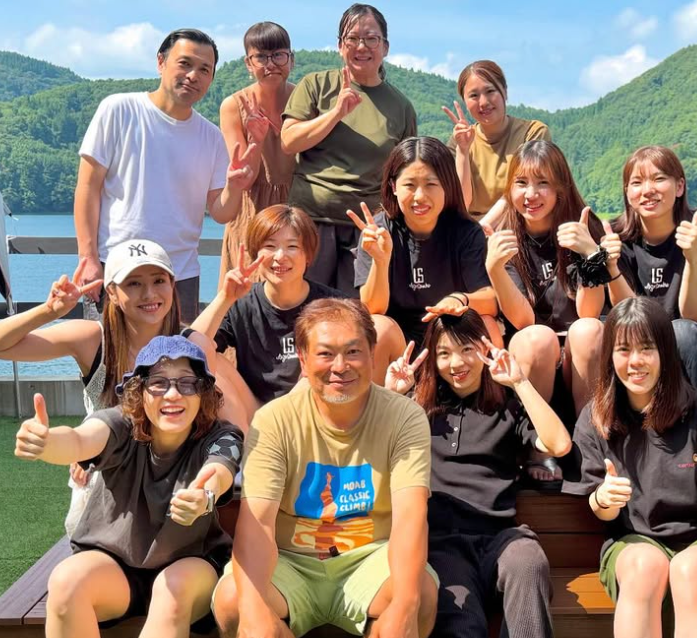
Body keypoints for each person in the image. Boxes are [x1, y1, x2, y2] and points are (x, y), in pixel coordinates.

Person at [212, 298, 438, 638]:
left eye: (353, 352)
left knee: (418, 595)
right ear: (302, 360)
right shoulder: (274, 420)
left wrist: (406, 606)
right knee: (234, 602)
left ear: (372, 352)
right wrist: (254, 611)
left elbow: (410, 516)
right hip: (290, 561)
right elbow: (257, 522)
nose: (340, 366)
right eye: (325, 354)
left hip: (370, 557)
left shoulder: (404, 417)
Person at [14, 335, 243, 637]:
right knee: (66, 582)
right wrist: (47, 442)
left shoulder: (221, 435)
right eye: (159, 383)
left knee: (171, 592)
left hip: (191, 564)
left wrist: (204, 496)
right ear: (139, 391)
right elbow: (81, 440)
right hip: (115, 566)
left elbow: (220, 470)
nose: (173, 394)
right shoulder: (120, 426)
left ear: (203, 393)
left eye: (187, 383)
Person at [563, 297, 697, 638]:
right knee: (644, 566)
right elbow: (598, 508)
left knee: (688, 570)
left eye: (646, 348)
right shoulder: (596, 417)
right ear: (609, 356)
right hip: (633, 541)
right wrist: (604, 498)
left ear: (665, 352)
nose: (635, 361)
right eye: (623, 350)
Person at [384, 310, 571, 638]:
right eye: (444, 353)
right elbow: (374, 455)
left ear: (483, 351)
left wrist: (519, 383)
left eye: (466, 349)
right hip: (443, 543)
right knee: (459, 622)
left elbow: (559, 444)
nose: (456, 363)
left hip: (499, 537)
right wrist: (392, 397)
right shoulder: (416, 411)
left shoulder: (506, 407)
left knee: (529, 562)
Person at [74, 28, 256, 322]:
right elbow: (87, 187)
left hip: (179, 273)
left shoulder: (211, 137)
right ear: (161, 62)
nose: (194, 75)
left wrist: (235, 186)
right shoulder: (119, 109)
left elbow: (222, 213)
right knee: (106, 361)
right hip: (117, 267)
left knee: (174, 365)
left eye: (204, 70)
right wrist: (88, 258)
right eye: (185, 63)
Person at [0, 239, 181, 533]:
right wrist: (48, 311)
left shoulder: (187, 344)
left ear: (172, 284)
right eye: (133, 283)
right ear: (112, 291)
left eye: (159, 280)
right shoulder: (94, 339)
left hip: (167, 479)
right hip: (102, 480)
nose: (149, 294)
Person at [281, 4, 417, 293]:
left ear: (386, 47)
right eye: (352, 38)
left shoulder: (401, 107)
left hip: (367, 227)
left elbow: (407, 173)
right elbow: (289, 140)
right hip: (311, 219)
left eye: (371, 38)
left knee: (356, 311)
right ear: (340, 46)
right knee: (303, 307)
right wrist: (335, 113)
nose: (361, 46)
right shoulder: (316, 85)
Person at [192, 204, 347, 417]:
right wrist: (225, 298)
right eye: (270, 246)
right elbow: (189, 348)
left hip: (312, 408)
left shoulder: (331, 305)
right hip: (255, 409)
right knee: (209, 356)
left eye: (292, 246)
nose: (280, 256)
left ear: (308, 255)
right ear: (256, 253)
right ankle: (244, 443)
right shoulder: (242, 302)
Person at [487, 139, 606, 416]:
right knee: (537, 337)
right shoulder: (504, 237)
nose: (531, 194)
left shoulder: (583, 228)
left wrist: (590, 255)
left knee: (588, 330)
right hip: (531, 354)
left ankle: (591, 440)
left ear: (560, 188)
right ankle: (535, 443)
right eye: (521, 183)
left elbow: (589, 312)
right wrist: (495, 269)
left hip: (581, 352)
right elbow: (523, 321)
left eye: (542, 183)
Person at [353, 136, 498, 354]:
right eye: (409, 185)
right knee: (377, 327)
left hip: (451, 332)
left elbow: (490, 301)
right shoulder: (378, 232)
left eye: (431, 184)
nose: (420, 197)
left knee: (488, 324)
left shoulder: (465, 231)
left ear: (447, 186)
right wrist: (380, 262)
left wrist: (459, 299)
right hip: (399, 338)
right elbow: (373, 309)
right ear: (393, 186)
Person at [602, 145, 697, 392]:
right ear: (627, 192)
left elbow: (693, 315)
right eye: (636, 182)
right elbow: (628, 314)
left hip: (695, 345)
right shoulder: (616, 238)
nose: (648, 190)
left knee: (682, 332)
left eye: (659, 179)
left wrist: (693, 256)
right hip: (638, 340)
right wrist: (611, 267)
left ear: (679, 186)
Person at [219, 21, 297, 284]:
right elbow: (245, 177)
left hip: (295, 211)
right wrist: (256, 139)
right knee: (246, 297)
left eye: (278, 55)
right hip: (253, 214)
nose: (271, 64)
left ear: (291, 59)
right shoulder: (233, 105)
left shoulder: (304, 100)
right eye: (261, 57)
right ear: (248, 63)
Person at [443, 60, 551, 230]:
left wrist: (483, 228)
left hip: (518, 228)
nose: (483, 102)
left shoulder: (533, 133)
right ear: (465, 101)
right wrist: (463, 151)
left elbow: (521, 191)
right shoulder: (460, 140)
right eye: (474, 95)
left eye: (490, 91)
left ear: (505, 92)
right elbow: (461, 202)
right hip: (471, 231)